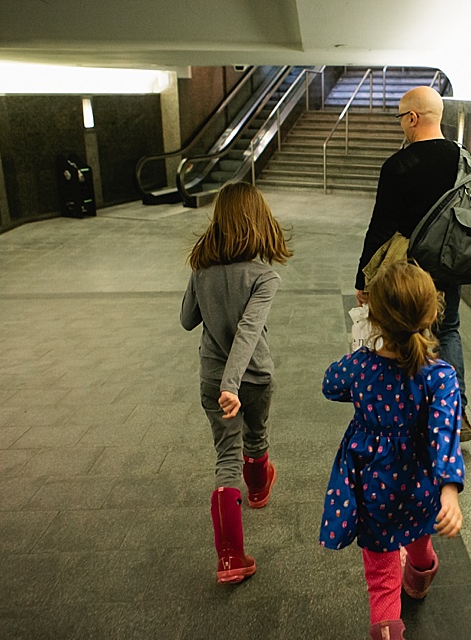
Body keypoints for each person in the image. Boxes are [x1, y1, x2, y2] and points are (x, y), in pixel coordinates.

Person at [320, 261, 466, 640]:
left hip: (373, 487)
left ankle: (387, 629)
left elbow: (330, 384)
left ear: (374, 318)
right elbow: (444, 432)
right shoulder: (440, 376)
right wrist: (448, 490)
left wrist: (361, 355)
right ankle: (419, 576)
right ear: (433, 313)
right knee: (420, 532)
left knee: (383, 578)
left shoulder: (359, 368)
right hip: (419, 485)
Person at [354, 85, 471, 442]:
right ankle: (455, 413)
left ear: (412, 117)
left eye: (400, 118)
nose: (401, 125)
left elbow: (381, 226)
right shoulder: (466, 159)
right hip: (448, 266)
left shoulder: (398, 165)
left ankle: (411, 411)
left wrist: (362, 278)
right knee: (449, 328)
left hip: (407, 270)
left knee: (406, 332)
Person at [180, 182, 292, 584]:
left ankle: (229, 558)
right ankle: (258, 489)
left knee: (226, 456)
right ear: (257, 221)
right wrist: (235, 383)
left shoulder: (202, 270)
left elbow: (187, 320)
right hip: (253, 377)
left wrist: (201, 283)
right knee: (256, 438)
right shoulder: (264, 277)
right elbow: (248, 330)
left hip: (213, 379)